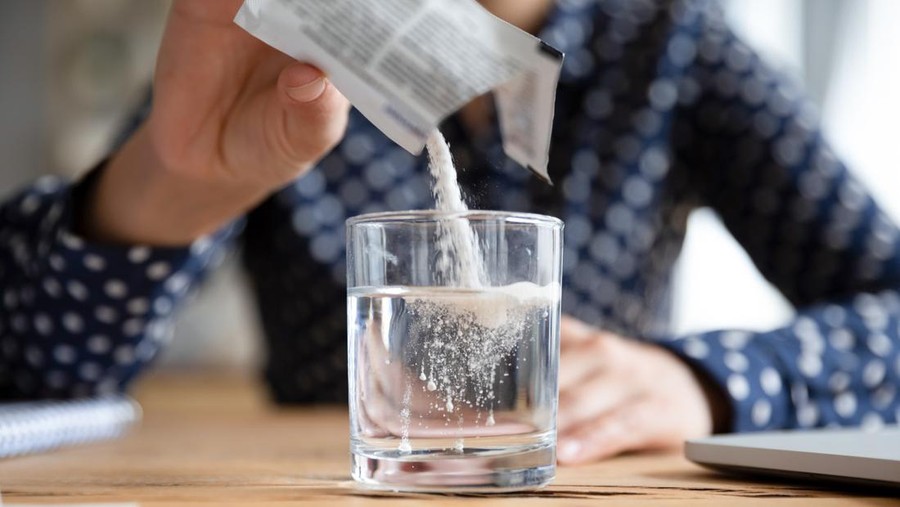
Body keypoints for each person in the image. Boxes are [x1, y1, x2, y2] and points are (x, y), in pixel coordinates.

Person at [1, 0, 898, 466]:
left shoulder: (675, 48)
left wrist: (707, 382)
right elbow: (29, 377)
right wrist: (172, 185)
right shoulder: (279, 48)